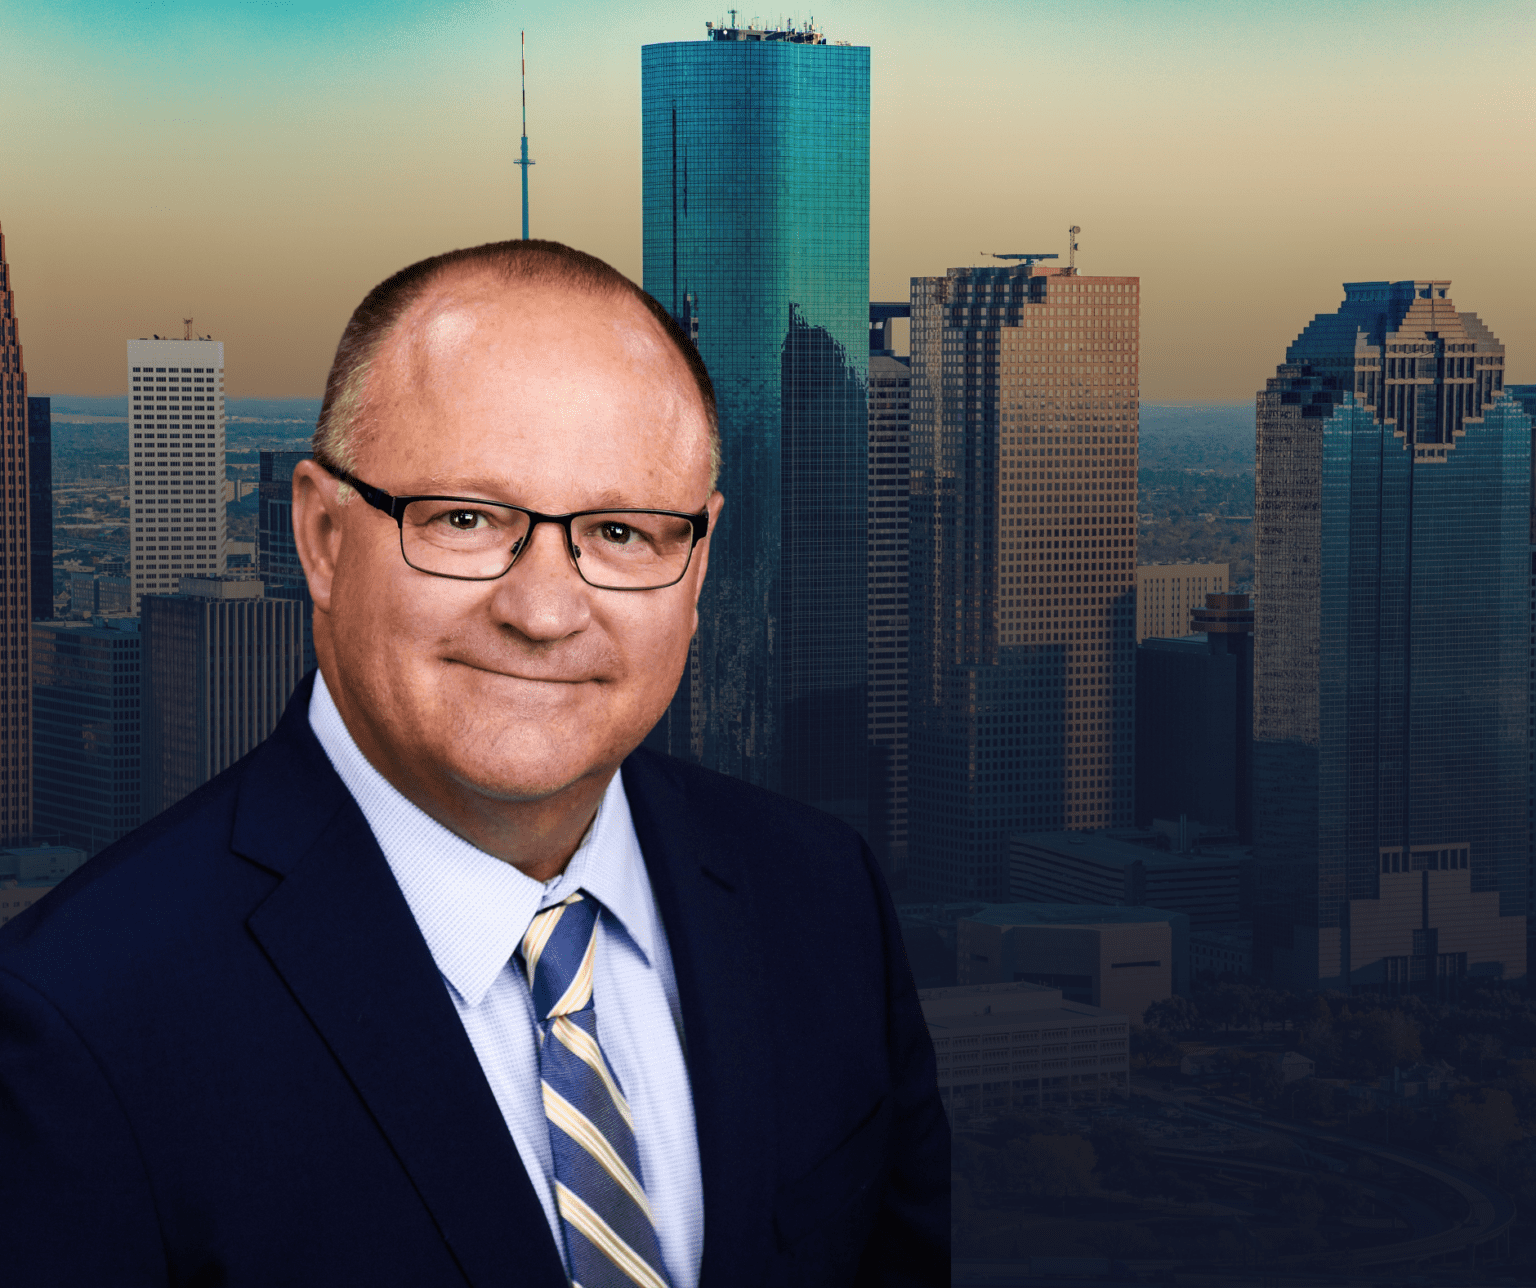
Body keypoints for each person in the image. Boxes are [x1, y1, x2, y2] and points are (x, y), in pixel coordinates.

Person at [0, 240, 948, 1287]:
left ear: (697, 565)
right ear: (321, 536)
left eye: (621, 532)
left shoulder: (821, 896)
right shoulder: (75, 1023)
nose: (543, 611)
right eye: (465, 519)